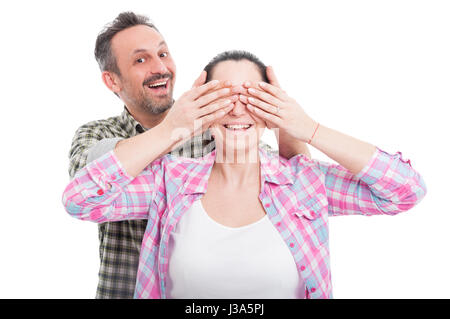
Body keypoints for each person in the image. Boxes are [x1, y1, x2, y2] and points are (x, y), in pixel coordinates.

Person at [62, 50, 427, 299]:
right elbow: (81, 201)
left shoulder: (303, 182)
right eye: (222, 97)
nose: (238, 109)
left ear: (272, 109)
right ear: (202, 107)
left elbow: (405, 190)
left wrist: (306, 128)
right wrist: (170, 128)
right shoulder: (170, 179)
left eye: (252, 97)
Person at [68, 12, 310, 298]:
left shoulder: (210, 131)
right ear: (112, 81)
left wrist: (283, 117)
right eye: (141, 60)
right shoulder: (95, 133)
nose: (160, 67)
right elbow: (86, 185)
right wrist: (172, 130)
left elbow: (294, 180)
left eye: (163, 53)